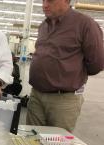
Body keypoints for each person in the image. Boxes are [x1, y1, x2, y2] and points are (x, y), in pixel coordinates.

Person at [27, 0, 104, 132]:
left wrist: (71, 74)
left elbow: (97, 63)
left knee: (57, 143)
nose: (44, 5)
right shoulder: (44, 26)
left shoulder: (85, 24)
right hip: (36, 95)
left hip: (63, 100)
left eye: (50, 0)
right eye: (43, 0)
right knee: (31, 140)